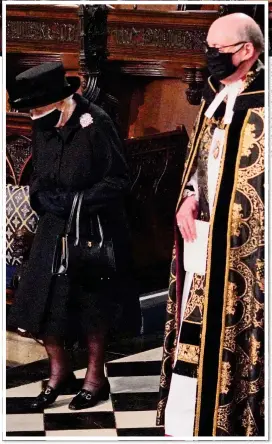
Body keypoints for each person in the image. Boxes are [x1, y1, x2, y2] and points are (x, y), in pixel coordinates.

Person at [7, 61, 141, 411]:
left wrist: (77, 201)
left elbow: (118, 181)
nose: (34, 115)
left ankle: (95, 379)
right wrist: (42, 198)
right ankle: (59, 372)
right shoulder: (44, 124)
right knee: (41, 305)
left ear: (59, 100)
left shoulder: (96, 124)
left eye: (38, 108)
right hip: (53, 226)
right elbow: (38, 176)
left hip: (93, 229)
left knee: (91, 307)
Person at [156, 13, 265, 437]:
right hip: (204, 236)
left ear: (247, 51)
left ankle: (236, 422)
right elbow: (202, 160)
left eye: (217, 50)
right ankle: (190, 422)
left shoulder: (264, 100)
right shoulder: (215, 95)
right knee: (195, 329)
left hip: (245, 248)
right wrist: (188, 197)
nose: (209, 58)